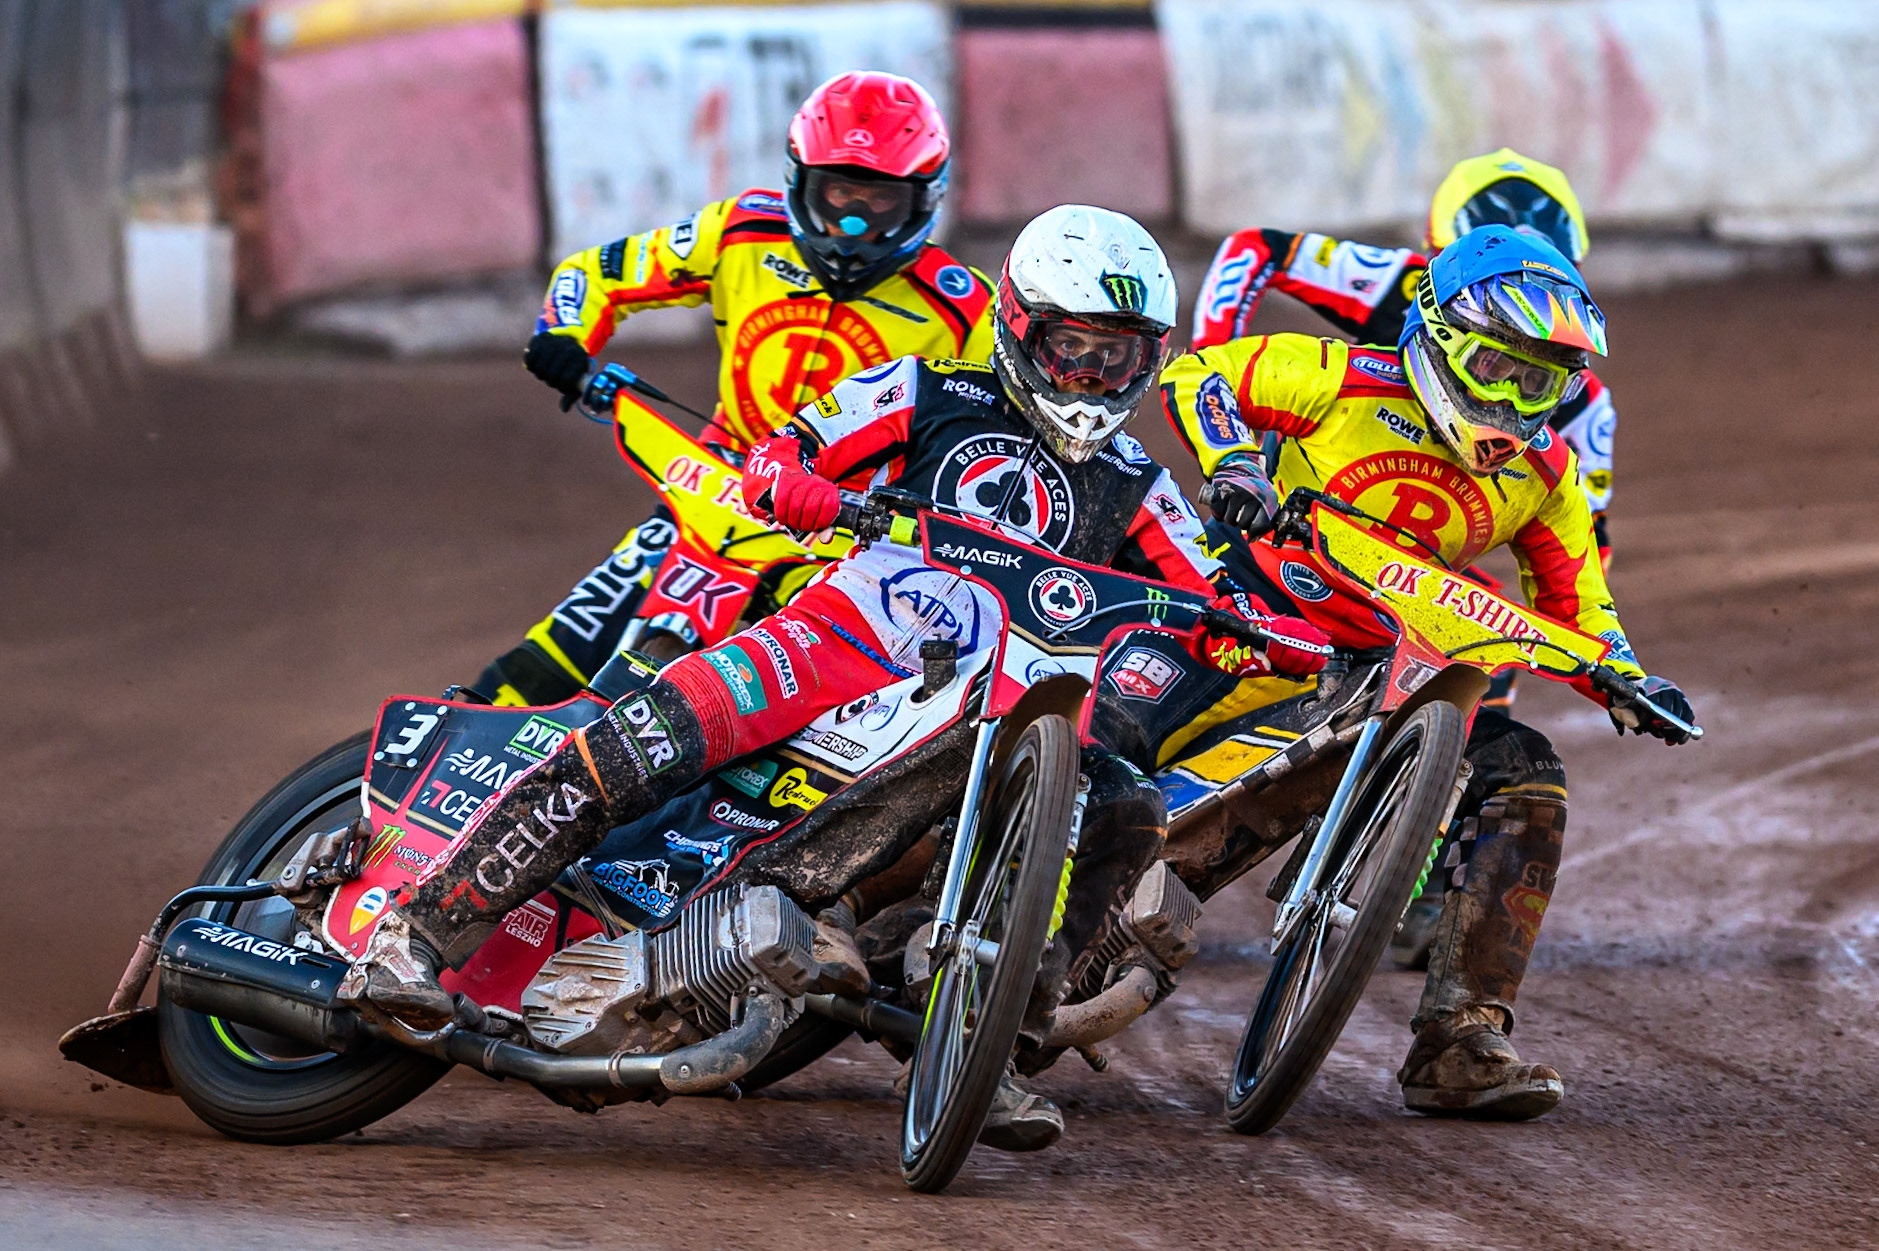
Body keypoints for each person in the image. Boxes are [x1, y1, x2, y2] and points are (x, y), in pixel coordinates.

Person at [346, 206, 1331, 1149]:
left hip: (977, 710)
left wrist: (1266, 634)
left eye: (1118, 355)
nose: (1092, 373)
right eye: (1075, 346)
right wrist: (794, 483)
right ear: (1022, 328)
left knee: (1122, 799)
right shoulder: (930, 389)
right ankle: (416, 936)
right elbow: (790, 449)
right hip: (840, 634)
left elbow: (1208, 587)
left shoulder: (1137, 481)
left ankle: (991, 1039)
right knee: (652, 733)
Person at [1157, 225, 1696, 1119]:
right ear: (1443, 338)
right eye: (1504, 368)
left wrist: (1627, 677)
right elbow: (1193, 377)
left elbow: (1579, 609)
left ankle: (1461, 1037)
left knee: (1527, 771)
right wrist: (1234, 465)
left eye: (1543, 381)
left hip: (1399, 670)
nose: (1520, 400)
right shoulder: (1340, 377)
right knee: (1129, 832)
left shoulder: (1546, 474)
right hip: (1256, 626)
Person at [469, 71, 996, 705]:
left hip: (840, 534)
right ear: (799, 182)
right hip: (706, 490)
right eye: (836, 195)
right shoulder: (741, 230)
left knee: (804, 712)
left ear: (923, 199)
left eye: (878, 202)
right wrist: (562, 337)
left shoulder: (966, 308)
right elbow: (596, 273)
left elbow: (997, 436)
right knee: (542, 664)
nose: (851, 226)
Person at [1191, 149, 1617, 576]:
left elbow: (1583, 545)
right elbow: (1256, 248)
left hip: (1420, 554)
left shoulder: (1582, 397)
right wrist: (1229, 413)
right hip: (1303, 503)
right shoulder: (1403, 282)